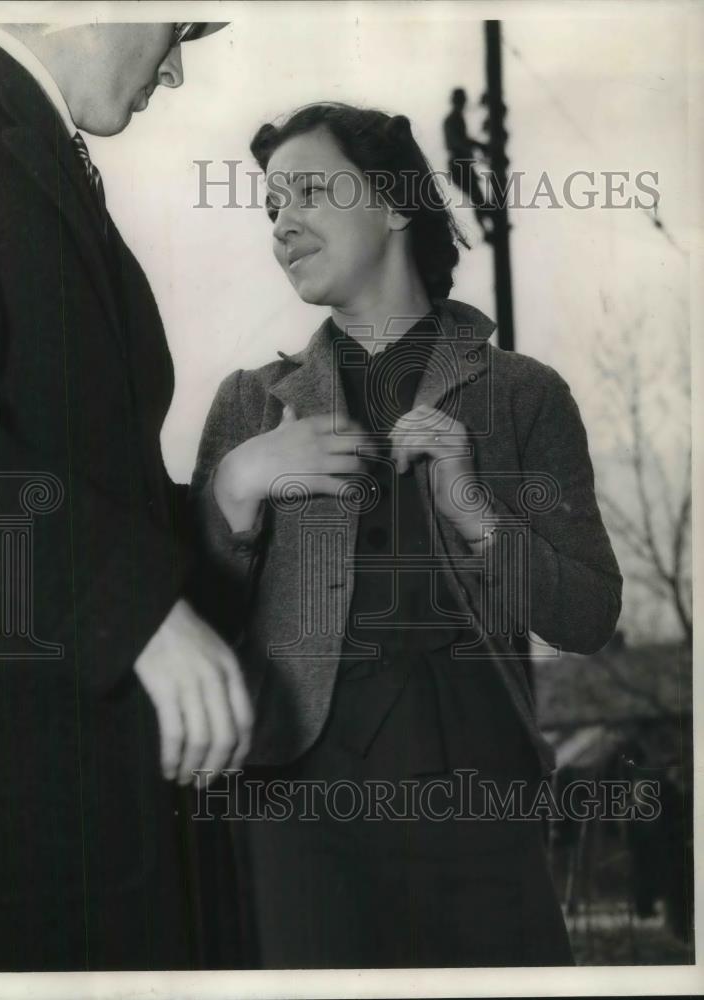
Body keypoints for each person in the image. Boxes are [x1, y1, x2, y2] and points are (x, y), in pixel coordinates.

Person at [190, 103, 623, 968]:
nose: (281, 221)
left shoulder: (525, 394)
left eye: (309, 190)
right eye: (270, 204)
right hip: (297, 808)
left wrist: (479, 514)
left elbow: (590, 615)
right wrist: (237, 488)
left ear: (393, 203)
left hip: (480, 795)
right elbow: (190, 618)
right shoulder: (251, 404)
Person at [0, 21, 252, 971]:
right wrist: (139, 611)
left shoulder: (22, 133)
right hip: (10, 831)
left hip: (81, 816)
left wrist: (228, 503)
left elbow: (79, 473)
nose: (179, 65)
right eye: (179, 26)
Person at [443, 87, 493, 236]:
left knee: (478, 199)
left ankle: (488, 228)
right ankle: (487, 229)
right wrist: (479, 147)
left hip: (461, 164)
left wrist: (478, 147)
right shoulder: (452, 119)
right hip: (459, 165)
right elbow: (458, 142)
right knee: (478, 198)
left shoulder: (456, 118)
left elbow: (463, 141)